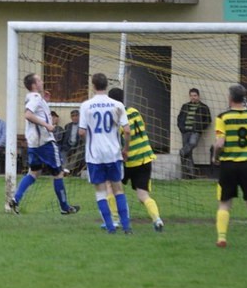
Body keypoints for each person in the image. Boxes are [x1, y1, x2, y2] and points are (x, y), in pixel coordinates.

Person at [8, 74, 78, 215]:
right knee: (58, 173)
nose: (42, 82)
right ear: (34, 85)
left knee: (34, 172)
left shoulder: (33, 98)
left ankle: (16, 199)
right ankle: (65, 207)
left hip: (34, 143)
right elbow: (28, 115)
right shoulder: (35, 97)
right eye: (39, 80)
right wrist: (47, 125)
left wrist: (45, 101)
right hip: (45, 142)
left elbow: (37, 112)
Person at [212, 84, 247, 250]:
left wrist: (215, 157)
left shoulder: (223, 117)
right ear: (243, 98)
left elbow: (219, 143)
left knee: (225, 203)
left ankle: (222, 237)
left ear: (230, 98)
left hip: (228, 165)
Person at [78, 73, 132, 234]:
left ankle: (110, 227)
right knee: (118, 189)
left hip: (95, 155)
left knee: (101, 191)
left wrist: (89, 141)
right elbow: (127, 131)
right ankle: (126, 227)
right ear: (107, 85)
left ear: (93, 85)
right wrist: (126, 149)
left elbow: (81, 132)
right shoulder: (117, 105)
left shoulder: (86, 105)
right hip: (113, 153)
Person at [108, 88, 164, 232]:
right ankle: (157, 219)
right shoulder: (134, 111)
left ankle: (115, 219)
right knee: (142, 195)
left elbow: (125, 134)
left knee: (111, 187)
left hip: (129, 160)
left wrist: (124, 150)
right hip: (145, 157)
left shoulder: (116, 118)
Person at [177, 88, 211, 178]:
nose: (193, 97)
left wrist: (200, 128)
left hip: (195, 131)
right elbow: (179, 118)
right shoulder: (185, 106)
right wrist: (181, 127)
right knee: (188, 154)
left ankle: (182, 151)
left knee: (192, 144)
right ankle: (190, 175)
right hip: (185, 131)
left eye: (195, 95)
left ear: (198, 96)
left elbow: (208, 120)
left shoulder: (203, 107)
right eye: (191, 96)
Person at [61, 109, 85, 175]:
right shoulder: (67, 126)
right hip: (68, 145)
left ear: (79, 116)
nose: (75, 117)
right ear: (71, 117)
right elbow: (65, 138)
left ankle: (68, 170)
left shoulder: (82, 126)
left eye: (76, 116)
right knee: (62, 152)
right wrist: (65, 146)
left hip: (78, 146)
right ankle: (64, 169)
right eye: (73, 116)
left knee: (78, 153)